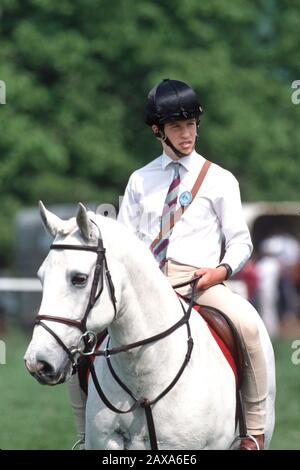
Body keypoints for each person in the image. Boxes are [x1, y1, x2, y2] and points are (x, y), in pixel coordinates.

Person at [117, 79, 268, 450]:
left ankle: (254, 429)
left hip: (202, 282)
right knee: (85, 343)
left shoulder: (220, 180)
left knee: (248, 327)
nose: (187, 135)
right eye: (176, 127)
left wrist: (220, 271)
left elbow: (240, 240)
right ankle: (85, 434)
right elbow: (123, 241)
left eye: (191, 125)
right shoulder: (139, 180)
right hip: (148, 287)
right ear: (158, 130)